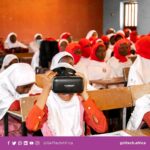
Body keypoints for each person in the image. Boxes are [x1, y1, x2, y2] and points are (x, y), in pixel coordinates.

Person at [26, 62, 108, 136]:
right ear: (54, 83)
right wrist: (46, 89)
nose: (66, 88)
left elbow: (101, 127)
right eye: (62, 83)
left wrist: (83, 92)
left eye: (70, 82)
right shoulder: (46, 103)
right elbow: (31, 126)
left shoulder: (80, 102)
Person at [0, 63, 35, 136]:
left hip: (11, 116)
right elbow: (14, 106)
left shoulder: (21, 83)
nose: (27, 90)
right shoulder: (2, 85)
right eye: (25, 87)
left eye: (30, 86)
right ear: (14, 80)